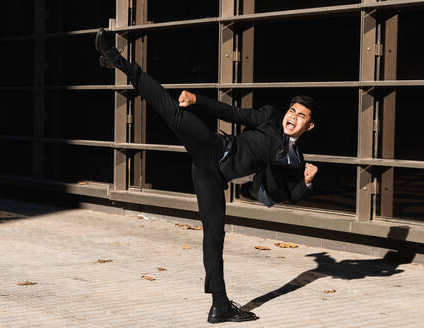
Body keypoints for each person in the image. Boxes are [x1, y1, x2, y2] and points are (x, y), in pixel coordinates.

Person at [95, 29, 318, 324]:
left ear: (309, 127)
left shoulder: (296, 160)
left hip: (211, 178)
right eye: (292, 110)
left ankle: (220, 305)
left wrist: (308, 181)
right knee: (170, 110)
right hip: (214, 149)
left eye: (301, 116)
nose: (293, 117)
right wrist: (197, 100)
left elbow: (292, 196)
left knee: (214, 237)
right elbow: (232, 113)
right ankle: (118, 59)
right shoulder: (269, 118)